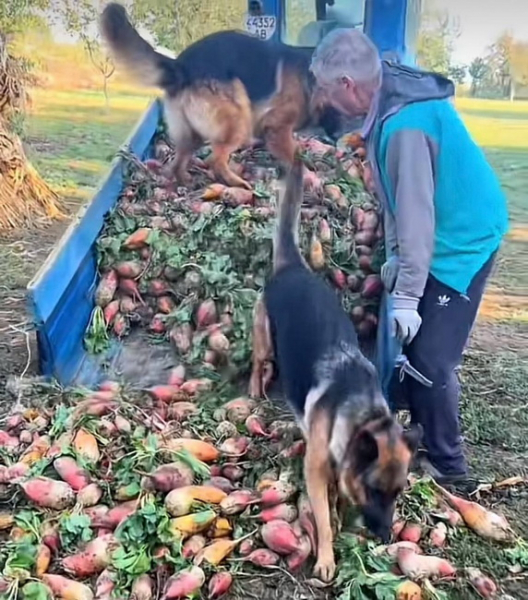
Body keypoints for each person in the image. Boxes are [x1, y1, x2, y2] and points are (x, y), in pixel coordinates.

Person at [309, 29, 509, 489]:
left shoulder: (405, 125)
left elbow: (418, 213)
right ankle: (406, 438)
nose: (324, 100)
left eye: (324, 90)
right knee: (409, 346)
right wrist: (397, 259)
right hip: (437, 231)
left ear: (347, 84)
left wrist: (410, 294)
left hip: (462, 239)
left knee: (430, 357)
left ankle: (451, 469)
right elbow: (394, 201)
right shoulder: (390, 100)